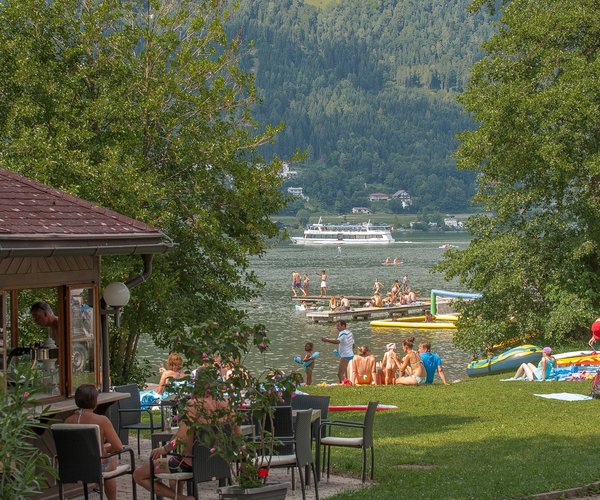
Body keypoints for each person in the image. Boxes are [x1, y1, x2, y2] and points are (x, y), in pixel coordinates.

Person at [134, 390, 239, 500]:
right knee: (175, 466)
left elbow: (180, 438)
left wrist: (165, 448)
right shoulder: (227, 405)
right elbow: (238, 436)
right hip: (221, 464)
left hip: (189, 465)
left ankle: (182, 498)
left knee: (139, 474)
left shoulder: (193, 405)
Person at [65, 385, 124, 500]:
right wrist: (106, 449)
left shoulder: (68, 420)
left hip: (71, 468)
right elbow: (118, 447)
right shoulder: (101, 420)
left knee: (104, 449)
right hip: (95, 467)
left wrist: (104, 448)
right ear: (95, 401)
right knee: (111, 457)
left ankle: (97, 485)